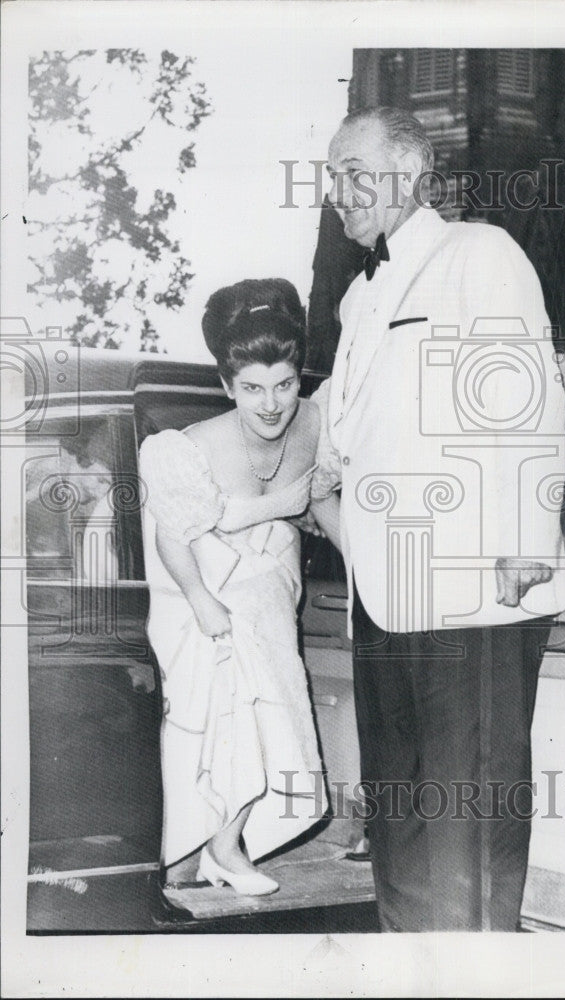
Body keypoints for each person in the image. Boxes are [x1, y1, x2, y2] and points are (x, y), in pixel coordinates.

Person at [318, 107, 565, 931]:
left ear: (408, 170)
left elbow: (526, 405)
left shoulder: (478, 254)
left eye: (354, 172)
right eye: (330, 177)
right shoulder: (360, 297)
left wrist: (523, 553)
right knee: (398, 817)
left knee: (468, 814)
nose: (338, 193)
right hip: (382, 596)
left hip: (473, 593)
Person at [139, 279, 339, 897]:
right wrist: (203, 600)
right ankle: (211, 852)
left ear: (298, 377)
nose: (271, 403)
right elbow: (175, 535)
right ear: (228, 386)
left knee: (274, 716)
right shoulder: (188, 447)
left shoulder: (317, 424)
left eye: (283, 384)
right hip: (203, 591)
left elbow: (323, 500)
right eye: (252, 388)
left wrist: (364, 570)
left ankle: (226, 849)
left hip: (271, 594)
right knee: (217, 717)